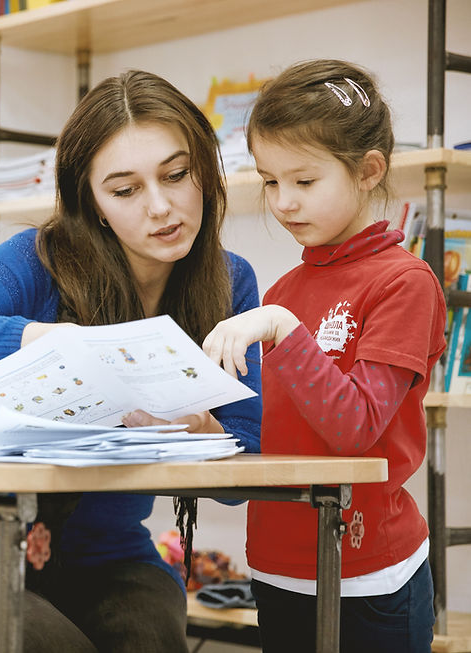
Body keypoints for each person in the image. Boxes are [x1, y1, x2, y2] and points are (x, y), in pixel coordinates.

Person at [0, 69, 262, 653]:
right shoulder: (39, 261)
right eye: (125, 189)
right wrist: (44, 342)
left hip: (114, 562)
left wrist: (204, 431)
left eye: (177, 175)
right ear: (94, 203)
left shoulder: (230, 283)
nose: (161, 207)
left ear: (204, 172)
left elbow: (246, 467)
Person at [202, 59, 446, 653]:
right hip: (276, 568)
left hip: (368, 575)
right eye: (269, 181)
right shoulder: (284, 292)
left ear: (369, 171)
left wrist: (285, 331)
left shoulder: (404, 284)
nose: (283, 202)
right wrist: (204, 429)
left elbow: (355, 427)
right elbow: (274, 433)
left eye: (304, 181)